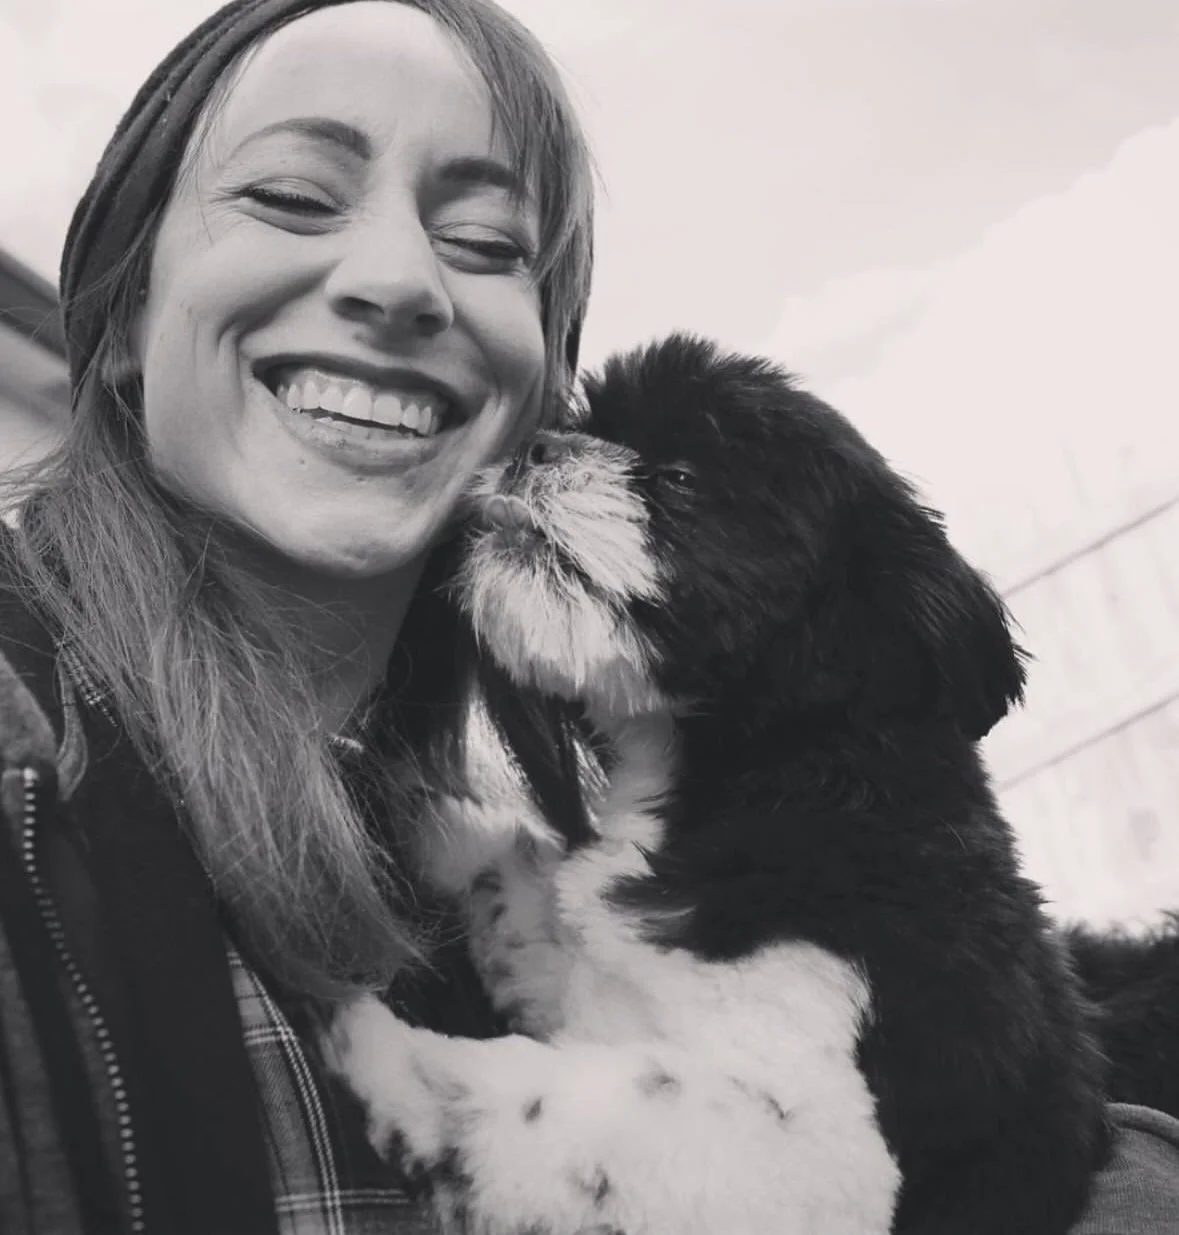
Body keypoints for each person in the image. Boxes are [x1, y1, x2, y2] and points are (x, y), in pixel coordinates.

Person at [0, 1, 1175, 1232]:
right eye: (294, 195)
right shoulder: (32, 765)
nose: (401, 279)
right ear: (125, 311)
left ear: (535, 394)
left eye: (485, 237)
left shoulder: (535, 851)